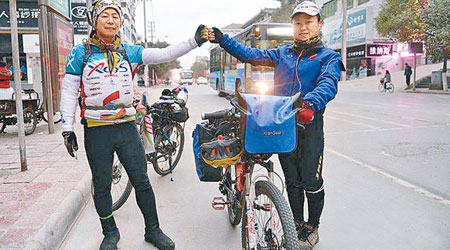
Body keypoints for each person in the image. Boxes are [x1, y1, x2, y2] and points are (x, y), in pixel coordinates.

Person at [59, 0, 208, 249]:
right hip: (96, 131)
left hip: (126, 127)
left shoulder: (129, 51)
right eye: (104, 16)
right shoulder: (80, 53)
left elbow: (164, 54)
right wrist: (66, 127)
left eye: (115, 16)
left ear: (120, 22)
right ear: (94, 21)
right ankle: (110, 233)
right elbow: (69, 90)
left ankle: (153, 230)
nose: (110, 20)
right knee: (103, 185)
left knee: (141, 181)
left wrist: (194, 41)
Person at [208, 1, 344, 249]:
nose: (303, 28)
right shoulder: (283, 53)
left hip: (309, 124)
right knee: (292, 180)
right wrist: (223, 40)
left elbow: (329, 83)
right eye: (298, 23)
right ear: (292, 26)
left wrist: (309, 104)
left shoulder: (329, 57)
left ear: (319, 25)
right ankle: (295, 223)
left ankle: (312, 227)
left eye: (309, 22)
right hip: (281, 125)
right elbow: (252, 55)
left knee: (311, 182)